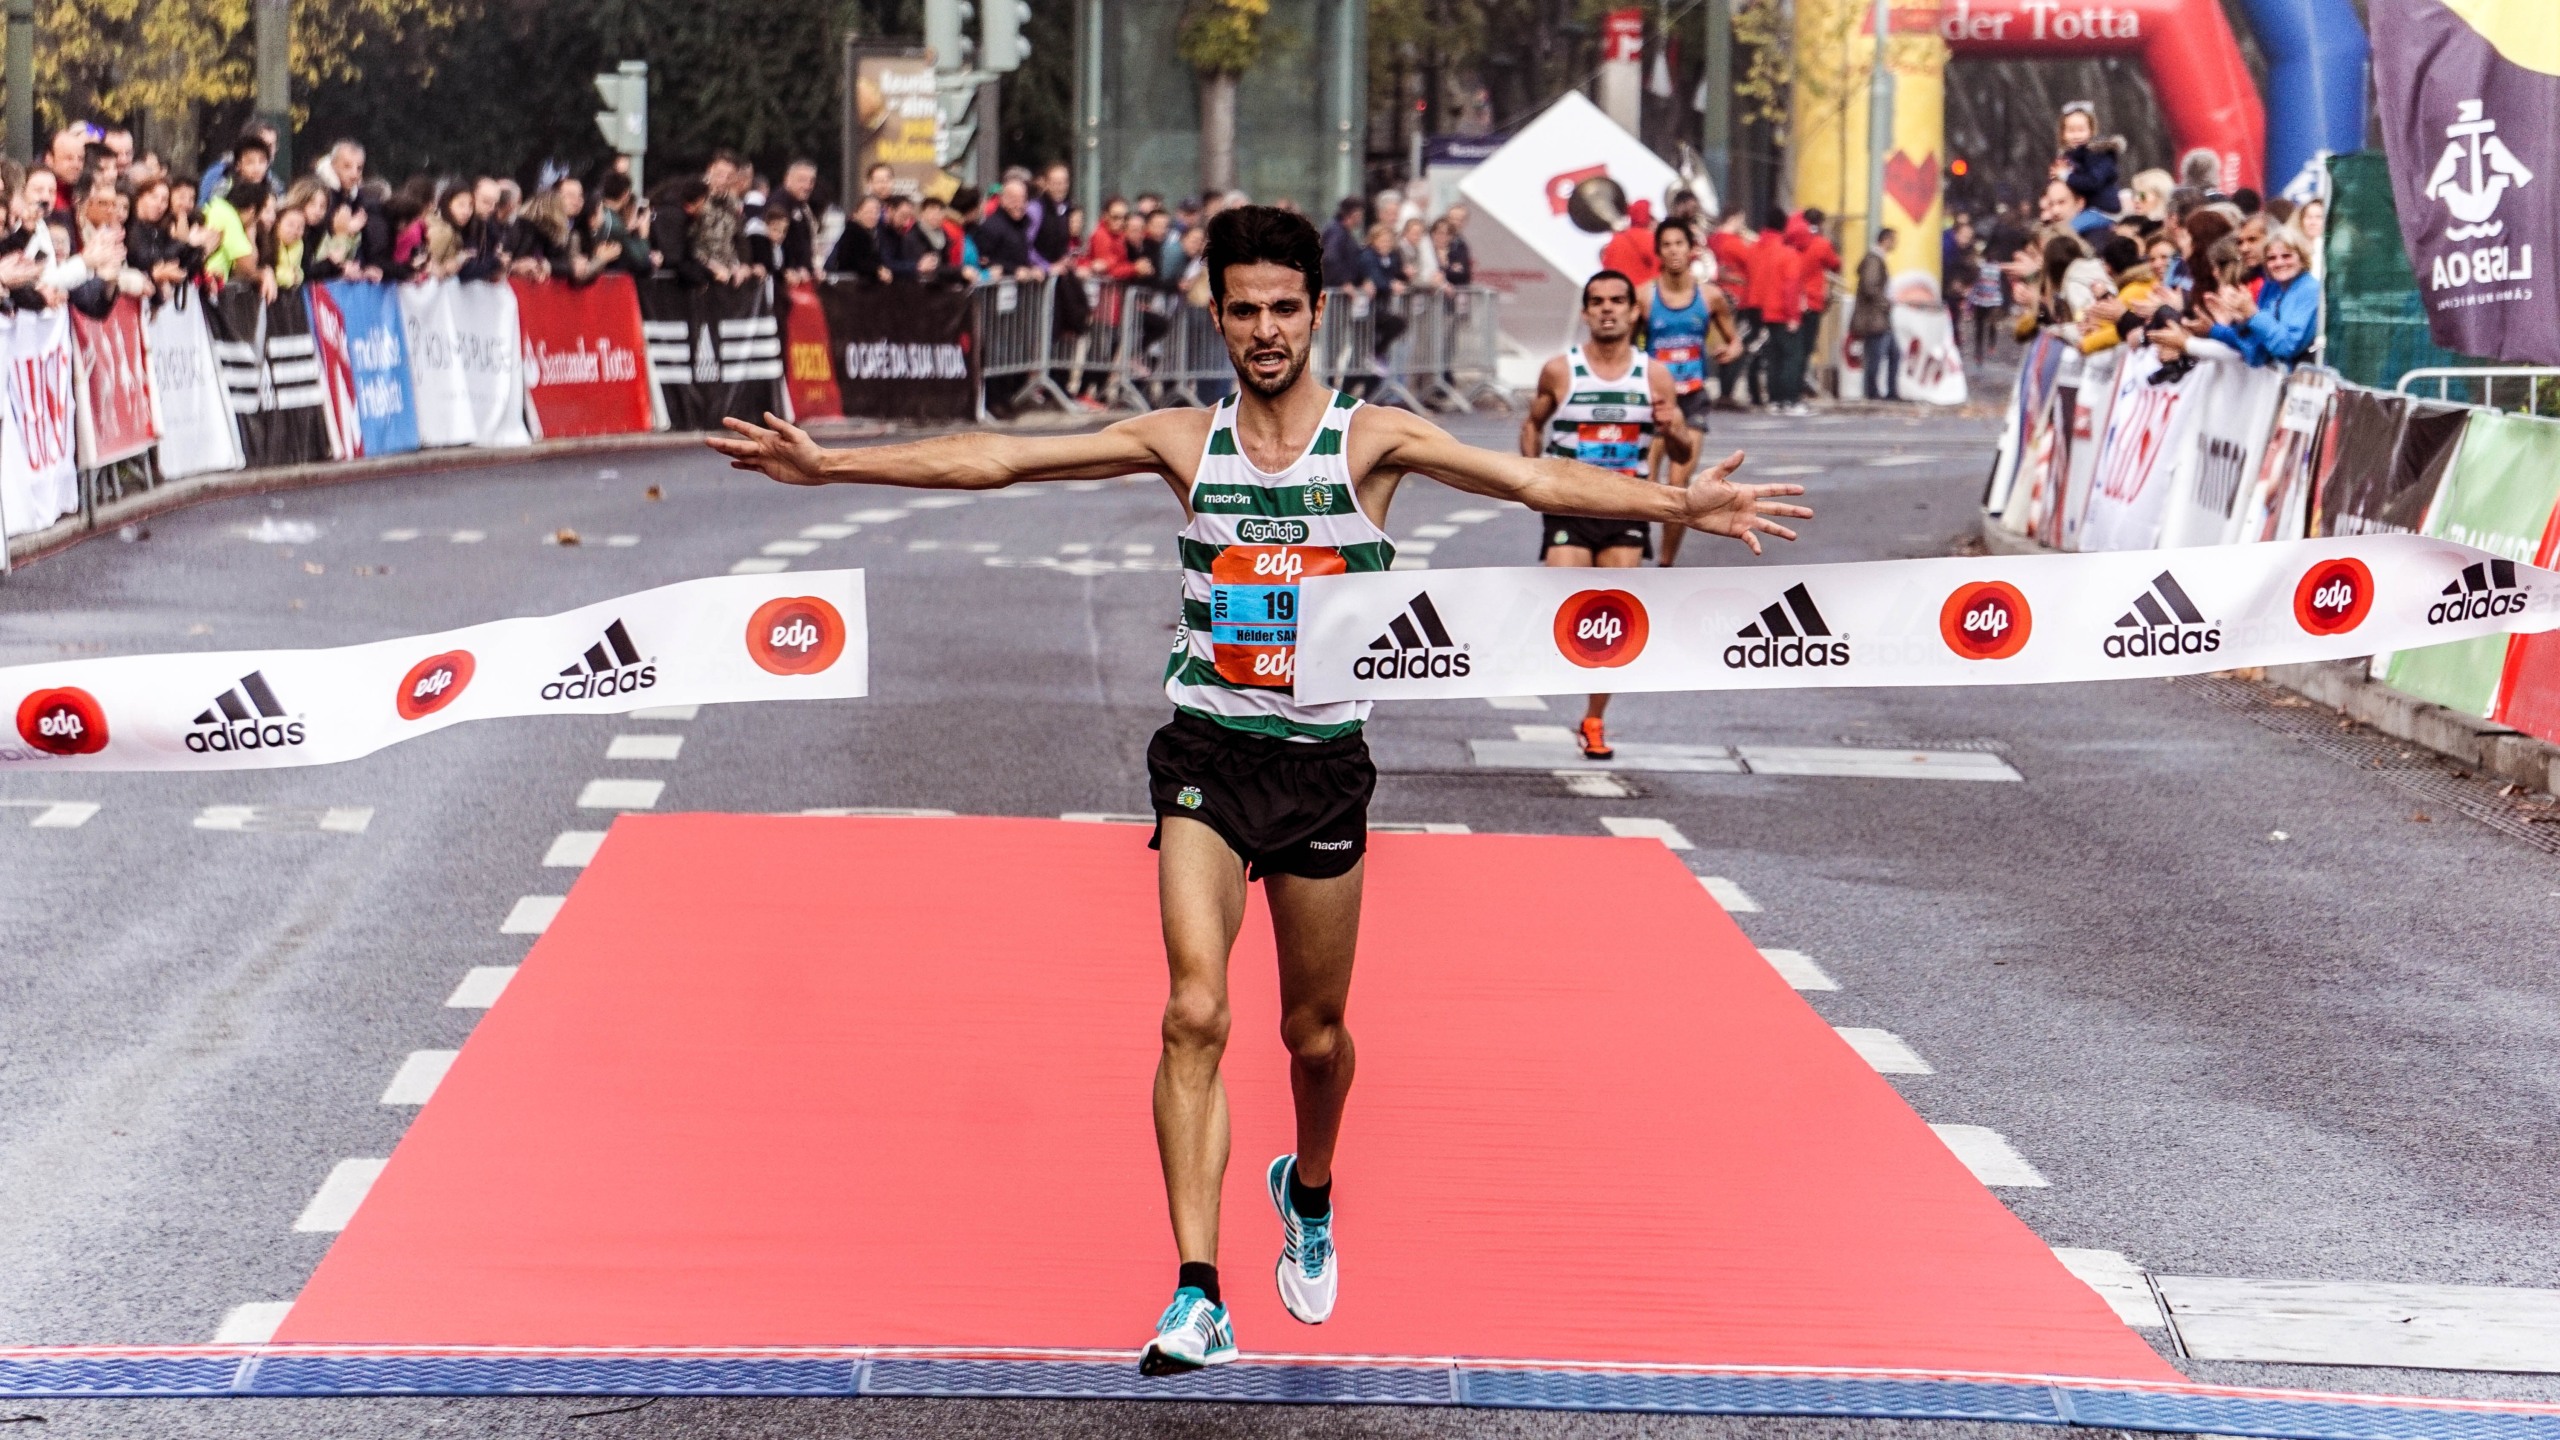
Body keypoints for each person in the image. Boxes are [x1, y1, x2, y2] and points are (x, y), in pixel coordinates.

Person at [706, 206, 1808, 1377]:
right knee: (1193, 1010)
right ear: (1217, 314)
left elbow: (1527, 472)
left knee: (1313, 1035)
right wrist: (834, 462)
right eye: (1245, 309)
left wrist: (1679, 504)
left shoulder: (1373, 439)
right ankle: (1198, 1291)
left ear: (1318, 312)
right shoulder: (1186, 440)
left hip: (1322, 767)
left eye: (1287, 308)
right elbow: (1004, 459)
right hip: (1208, 755)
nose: (1267, 329)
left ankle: (1311, 1187)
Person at [1521, 269, 1702, 759]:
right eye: (1597, 301)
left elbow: (1683, 451)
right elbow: (1532, 424)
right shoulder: (1560, 371)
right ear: (1585, 312)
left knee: (1610, 621)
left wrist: (1673, 428)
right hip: (1568, 505)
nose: (1607, 309)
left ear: (1633, 311)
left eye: (1617, 300)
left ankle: (1595, 719)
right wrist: (1532, 480)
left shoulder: (1655, 375)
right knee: (1565, 603)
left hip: (1627, 506)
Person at [1635, 218, 1740, 567]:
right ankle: (1632, 555)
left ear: (1691, 250)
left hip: (1693, 397)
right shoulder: (1645, 297)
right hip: (1654, 400)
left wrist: (1731, 351)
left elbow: (1733, 339)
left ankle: (1666, 565)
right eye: (1667, 245)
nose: (1674, 251)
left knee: (1679, 485)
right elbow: (1622, 339)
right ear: (1659, 252)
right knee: (1645, 485)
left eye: (1680, 244)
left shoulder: (1709, 296)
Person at [2205, 220, 2319, 367]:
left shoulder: (2309, 289)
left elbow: (2287, 347)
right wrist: (2242, 322)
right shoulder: (2273, 289)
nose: (2279, 263)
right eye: (2271, 258)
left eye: (2287, 256)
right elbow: (2256, 355)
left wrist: (2253, 314)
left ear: (2302, 258)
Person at [2052, 102, 2123, 217]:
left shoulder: (2099, 153)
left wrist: (2066, 176)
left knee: (2071, 229)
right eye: (2071, 131)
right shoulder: (2069, 157)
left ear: (2091, 131)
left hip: (2102, 210)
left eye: (2081, 130)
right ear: (2063, 133)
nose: (2076, 135)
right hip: (2081, 209)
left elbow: (2092, 182)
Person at [1851, 229, 1898, 401]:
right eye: (1894, 240)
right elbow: (1869, 286)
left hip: (1878, 317)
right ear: (1885, 240)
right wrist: (1885, 302)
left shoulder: (1876, 260)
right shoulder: (1874, 260)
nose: (1896, 244)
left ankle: (1889, 391)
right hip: (1875, 317)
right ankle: (1874, 392)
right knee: (1877, 356)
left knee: (1893, 353)